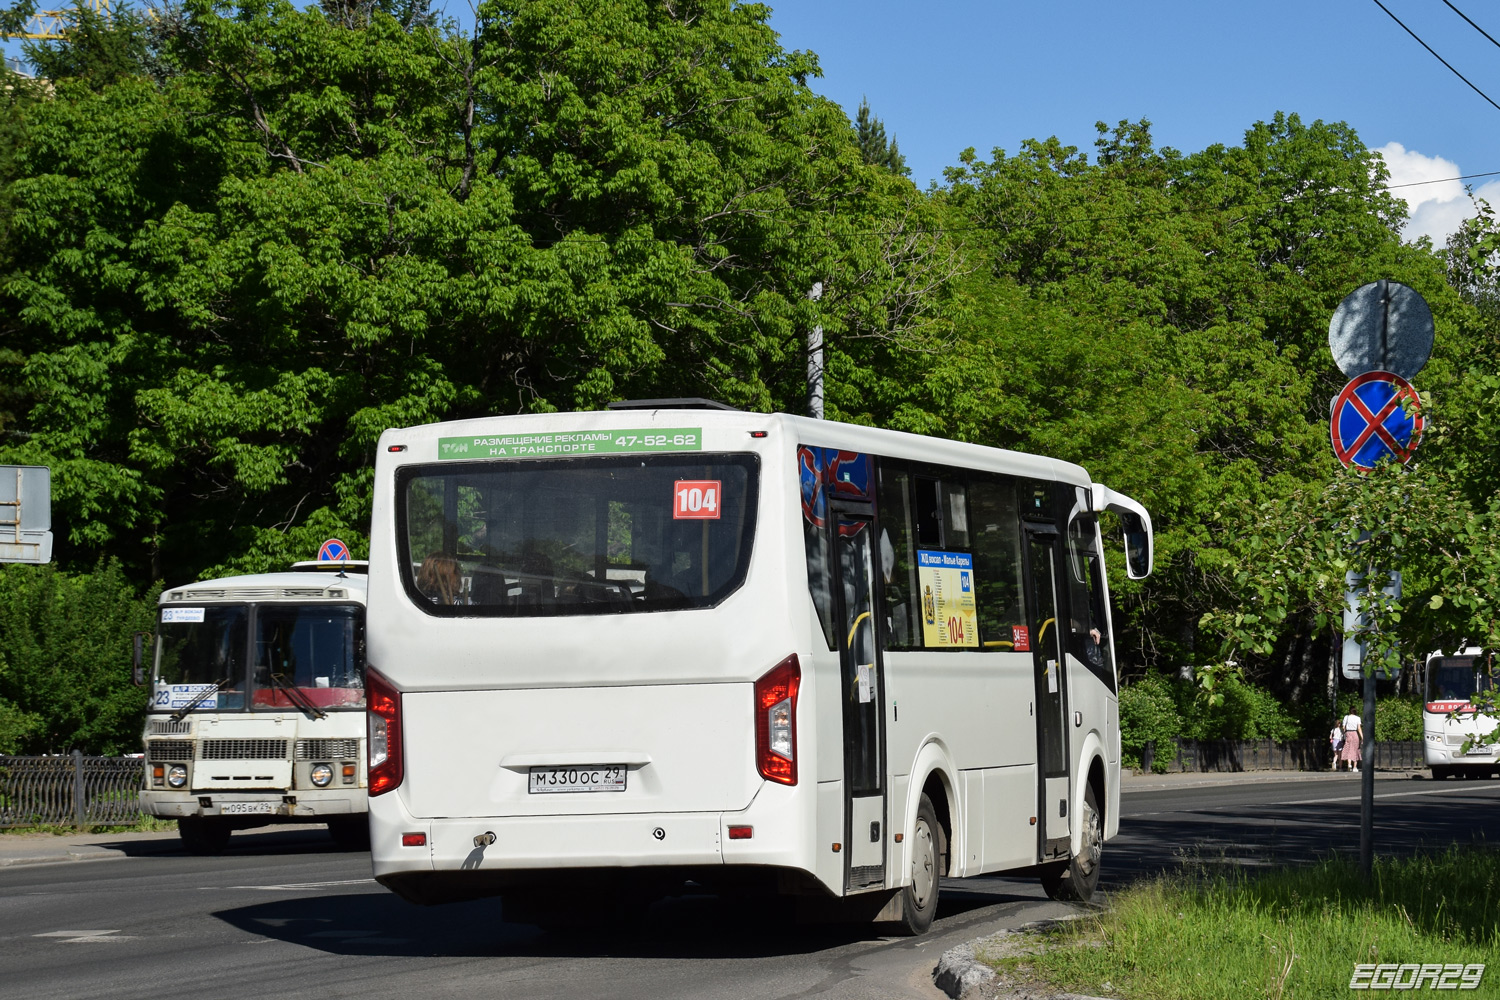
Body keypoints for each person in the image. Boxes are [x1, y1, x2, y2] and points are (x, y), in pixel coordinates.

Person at [1339, 709, 1364, 774]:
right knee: (1355, 750)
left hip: (1348, 733)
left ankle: (1349, 764)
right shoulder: (1357, 718)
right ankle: (1354, 767)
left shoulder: (1346, 717)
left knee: (1348, 749)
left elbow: (1343, 727)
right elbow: (1359, 728)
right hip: (1354, 733)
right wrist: (1362, 737)